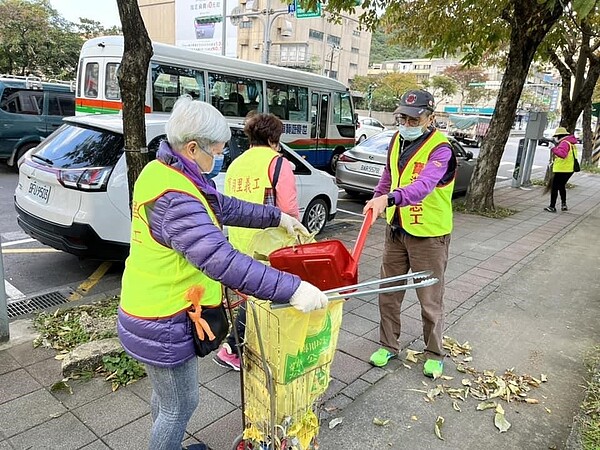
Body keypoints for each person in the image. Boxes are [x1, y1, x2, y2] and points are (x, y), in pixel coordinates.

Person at [117, 96, 328, 450]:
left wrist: (276, 216)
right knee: (180, 404)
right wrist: (292, 288)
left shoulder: (166, 170)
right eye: (216, 150)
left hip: (152, 305)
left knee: (166, 399)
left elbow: (222, 206)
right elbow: (221, 260)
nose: (219, 157)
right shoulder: (174, 197)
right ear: (193, 146)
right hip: (162, 316)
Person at [362, 89, 457, 379]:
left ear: (430, 117)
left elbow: (423, 186)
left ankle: (434, 353)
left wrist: (389, 199)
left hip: (429, 235)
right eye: (403, 117)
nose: (407, 123)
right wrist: (377, 200)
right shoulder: (396, 140)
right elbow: (389, 177)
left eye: (414, 119)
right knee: (388, 293)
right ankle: (388, 345)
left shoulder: (442, 149)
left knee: (429, 298)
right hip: (397, 230)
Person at [213, 113, 300, 371]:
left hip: (239, 240)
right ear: (274, 138)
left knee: (251, 293)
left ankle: (243, 346)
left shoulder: (237, 163)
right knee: (262, 295)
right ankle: (232, 348)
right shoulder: (277, 164)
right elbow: (289, 209)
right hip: (268, 243)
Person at [544, 127, 578, 213]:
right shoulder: (571, 143)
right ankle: (563, 204)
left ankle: (552, 206)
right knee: (561, 186)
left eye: (556, 136)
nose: (555, 138)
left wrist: (553, 149)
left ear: (559, 136)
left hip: (562, 169)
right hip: (569, 169)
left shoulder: (564, 143)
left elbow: (563, 154)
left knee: (555, 187)